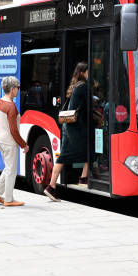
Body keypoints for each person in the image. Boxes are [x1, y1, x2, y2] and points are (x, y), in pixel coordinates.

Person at [44, 62, 89, 202]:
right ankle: (83, 179)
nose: (90, 74)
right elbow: (90, 104)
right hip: (75, 127)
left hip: (68, 125)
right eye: (88, 71)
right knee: (90, 150)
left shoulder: (75, 86)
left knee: (64, 155)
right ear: (83, 73)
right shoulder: (84, 87)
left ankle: (51, 187)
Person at [0, 76, 29, 207]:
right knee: (11, 171)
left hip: (0, 139)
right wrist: (24, 144)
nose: (18, 90)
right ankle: (9, 199)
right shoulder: (11, 106)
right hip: (9, 141)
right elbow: (14, 130)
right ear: (12, 89)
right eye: (18, 87)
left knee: (8, 168)